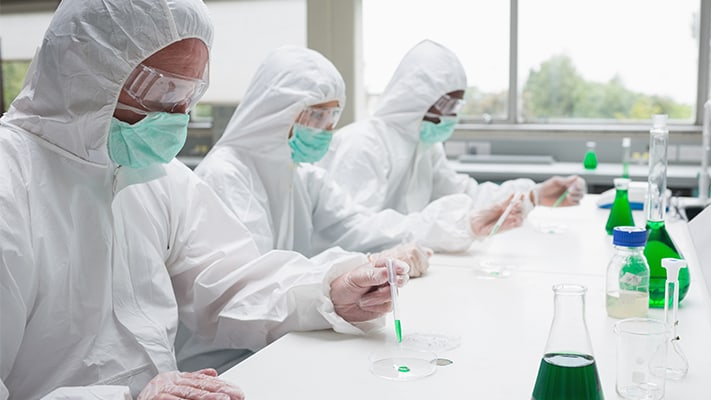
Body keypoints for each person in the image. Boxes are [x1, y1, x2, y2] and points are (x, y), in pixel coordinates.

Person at [0, 1, 408, 399]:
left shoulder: (157, 175)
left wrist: (328, 293)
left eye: (190, 93)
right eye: (163, 90)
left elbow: (224, 279)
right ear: (86, 69)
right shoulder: (11, 183)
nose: (180, 114)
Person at [194, 45, 526, 267]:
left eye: (332, 117)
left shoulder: (302, 176)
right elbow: (253, 282)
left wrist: (461, 224)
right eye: (316, 116)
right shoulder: (227, 176)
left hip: (285, 328)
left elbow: (363, 226)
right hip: (232, 348)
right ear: (276, 111)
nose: (326, 130)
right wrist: (359, 266)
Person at [318, 39, 587, 218]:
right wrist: (435, 231)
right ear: (417, 98)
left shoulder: (424, 146)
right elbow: (353, 230)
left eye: (457, 105)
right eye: (447, 105)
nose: (452, 116)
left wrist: (534, 194)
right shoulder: (364, 144)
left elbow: (465, 196)